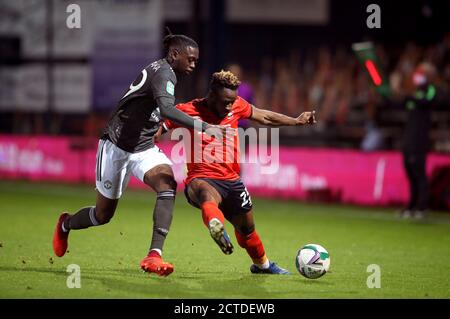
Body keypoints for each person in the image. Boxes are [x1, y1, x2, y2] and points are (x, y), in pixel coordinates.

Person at [52, 33, 225, 277]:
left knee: (167, 183)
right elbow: (166, 108)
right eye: (191, 59)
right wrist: (205, 127)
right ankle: (65, 223)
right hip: (115, 145)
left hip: (143, 148)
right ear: (175, 54)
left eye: (196, 60)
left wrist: (160, 126)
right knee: (102, 215)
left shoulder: (166, 72)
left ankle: (154, 255)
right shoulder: (164, 72)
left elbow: (160, 109)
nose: (194, 65)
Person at [158, 70, 316, 274]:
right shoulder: (188, 109)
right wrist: (154, 134)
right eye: (225, 102)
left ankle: (262, 265)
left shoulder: (237, 104)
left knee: (247, 231)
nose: (229, 106)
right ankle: (215, 224)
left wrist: (296, 121)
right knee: (206, 194)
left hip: (232, 181)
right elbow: (162, 124)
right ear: (211, 95)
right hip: (201, 178)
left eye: (232, 102)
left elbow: (264, 116)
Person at [397, 62, 440, 219]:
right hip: (409, 139)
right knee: (410, 172)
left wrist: (407, 95)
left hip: (420, 140)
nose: (418, 75)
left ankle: (422, 206)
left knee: (419, 173)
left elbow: (425, 101)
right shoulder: (414, 93)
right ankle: (412, 205)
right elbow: (401, 104)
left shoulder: (430, 91)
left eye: (422, 72)